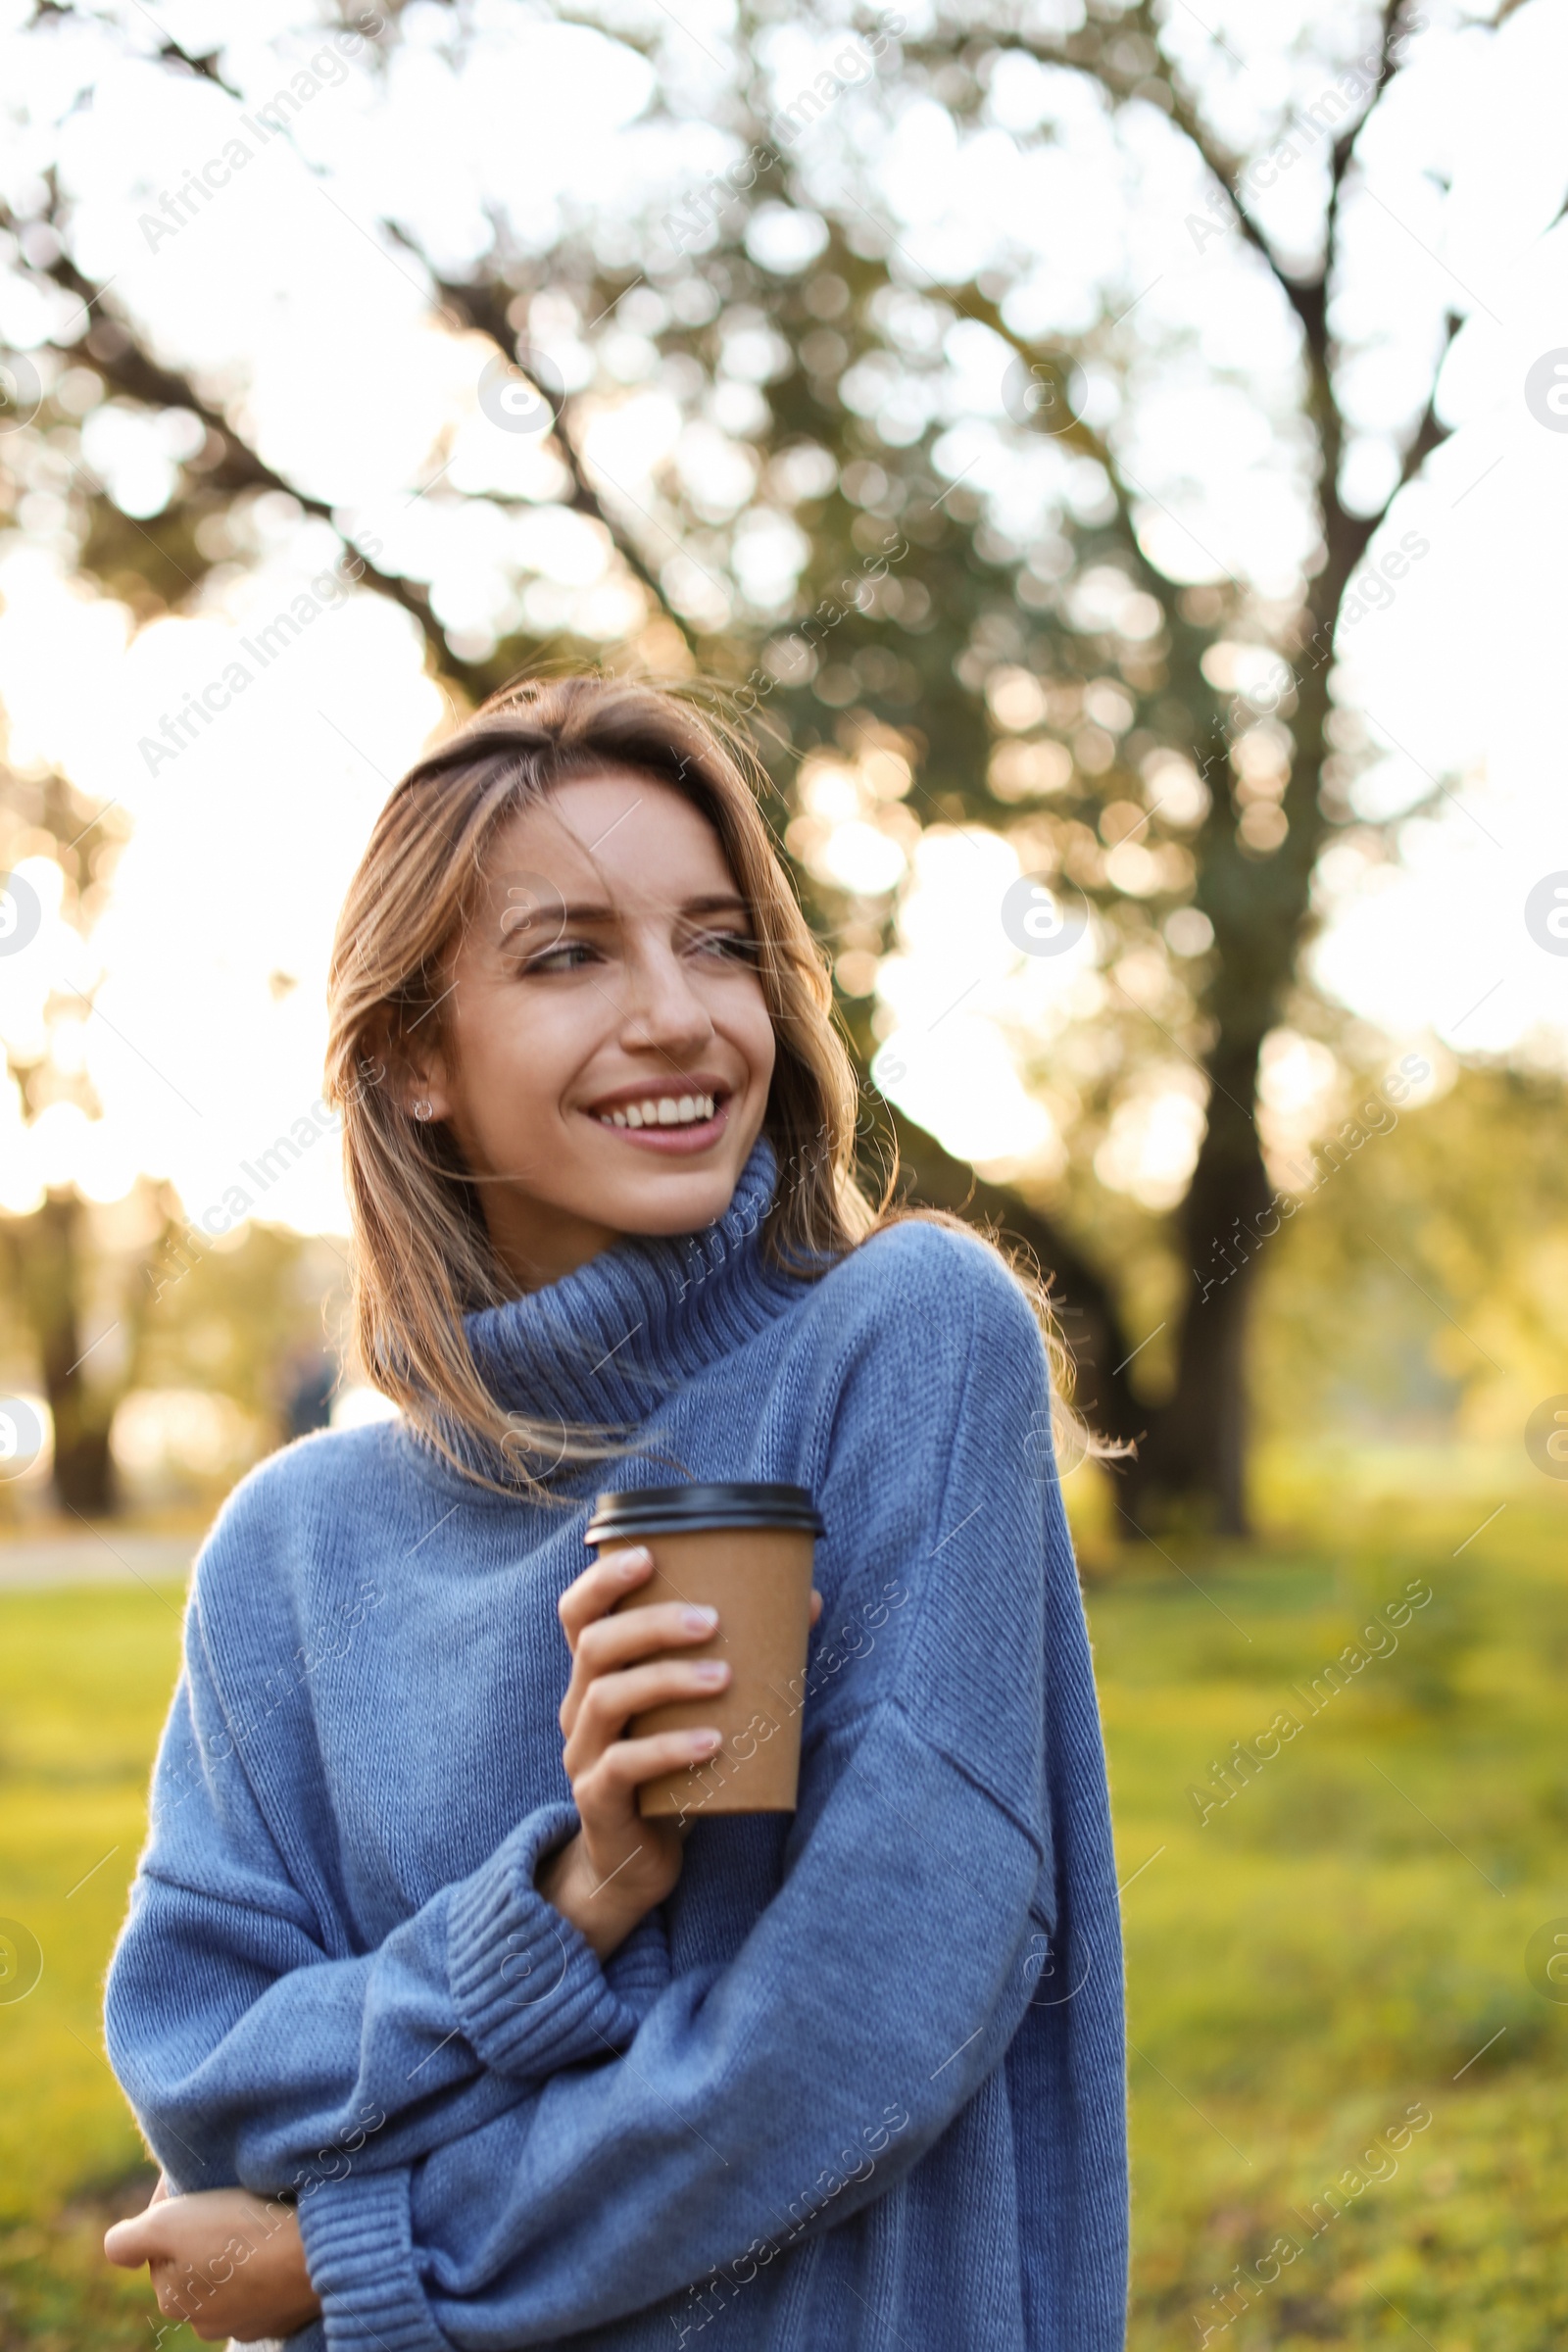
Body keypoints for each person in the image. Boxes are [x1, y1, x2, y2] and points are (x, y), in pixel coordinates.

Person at [101, 675, 1128, 2350]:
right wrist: (573, 1900)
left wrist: (363, 2258)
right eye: (570, 954)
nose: (680, 1017)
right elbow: (211, 2085)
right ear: (420, 1057)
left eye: (720, 944)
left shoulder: (910, 1342)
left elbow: (866, 2022)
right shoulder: (292, 1549)